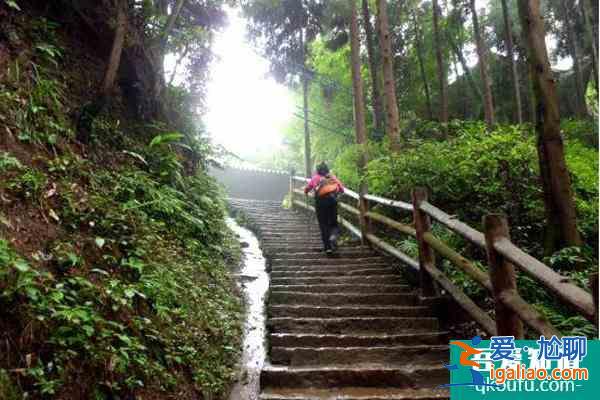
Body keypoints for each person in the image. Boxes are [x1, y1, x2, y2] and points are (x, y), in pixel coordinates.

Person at [304, 162, 344, 254]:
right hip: (332, 201)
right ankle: (333, 236)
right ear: (327, 169)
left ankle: (328, 248)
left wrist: (306, 192)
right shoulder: (332, 177)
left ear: (317, 170)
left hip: (320, 203)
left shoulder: (315, 178)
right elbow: (342, 189)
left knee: (323, 225)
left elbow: (307, 188)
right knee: (333, 222)